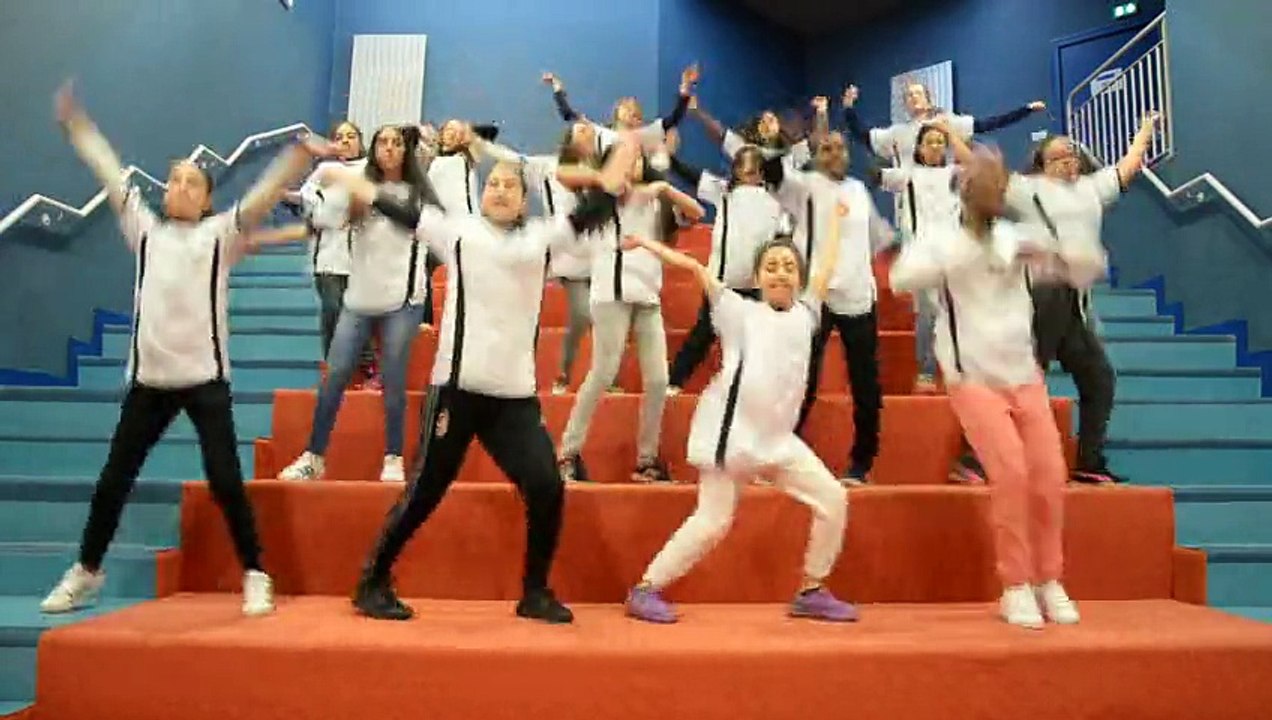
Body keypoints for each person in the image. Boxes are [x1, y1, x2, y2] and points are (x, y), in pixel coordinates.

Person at [40, 81, 332, 617]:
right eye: (173, 180)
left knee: (225, 478)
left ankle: (255, 571)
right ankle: (86, 571)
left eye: (190, 183)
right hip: (149, 382)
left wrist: (296, 157)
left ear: (206, 199)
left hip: (204, 381)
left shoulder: (219, 234)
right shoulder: (145, 231)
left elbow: (264, 198)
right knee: (113, 480)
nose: (177, 187)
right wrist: (78, 126)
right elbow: (109, 172)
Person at [345, 135, 638, 624]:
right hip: (456, 391)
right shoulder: (457, 231)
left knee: (546, 485)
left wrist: (612, 177)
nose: (500, 190)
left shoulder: (540, 239)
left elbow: (590, 213)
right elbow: (402, 208)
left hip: (514, 398)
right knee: (425, 492)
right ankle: (372, 579)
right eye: (493, 183)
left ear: (525, 200)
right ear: (482, 194)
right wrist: (356, 183)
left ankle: (534, 592)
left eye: (510, 185)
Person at [889, 143, 1099, 629]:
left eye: (1000, 184)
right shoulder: (940, 238)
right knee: (1011, 475)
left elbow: (1086, 266)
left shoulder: (1013, 236)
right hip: (973, 377)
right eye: (987, 182)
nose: (995, 191)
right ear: (966, 189)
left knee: (1048, 476)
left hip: (1024, 374)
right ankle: (1017, 585)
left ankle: (1050, 579)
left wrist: (1056, 248)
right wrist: (956, 259)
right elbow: (902, 277)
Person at [625, 201, 856, 624]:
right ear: (757, 277)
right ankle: (646, 588)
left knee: (834, 499)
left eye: (789, 265)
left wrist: (837, 222)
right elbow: (695, 269)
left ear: (798, 277)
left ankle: (812, 588)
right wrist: (646, 244)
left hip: (778, 441)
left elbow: (825, 267)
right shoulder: (736, 311)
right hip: (729, 438)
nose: (781, 272)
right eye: (771, 266)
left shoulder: (808, 314)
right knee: (712, 522)